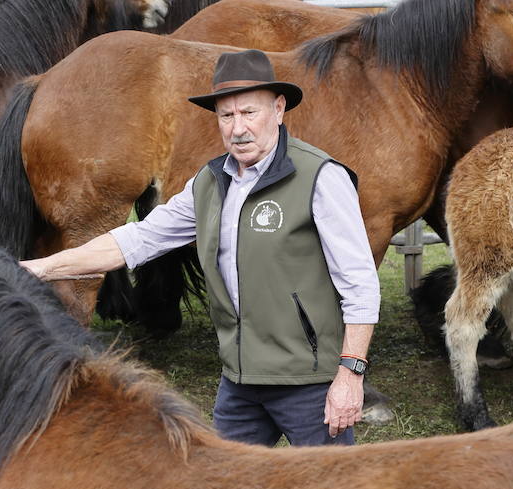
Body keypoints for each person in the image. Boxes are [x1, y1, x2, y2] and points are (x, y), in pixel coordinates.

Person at [22, 50, 380, 446]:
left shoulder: (320, 178)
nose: (238, 128)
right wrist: (41, 269)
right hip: (239, 385)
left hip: (308, 382)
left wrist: (350, 374)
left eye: (249, 113)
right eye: (227, 116)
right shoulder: (209, 183)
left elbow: (360, 283)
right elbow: (135, 240)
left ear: (278, 109)